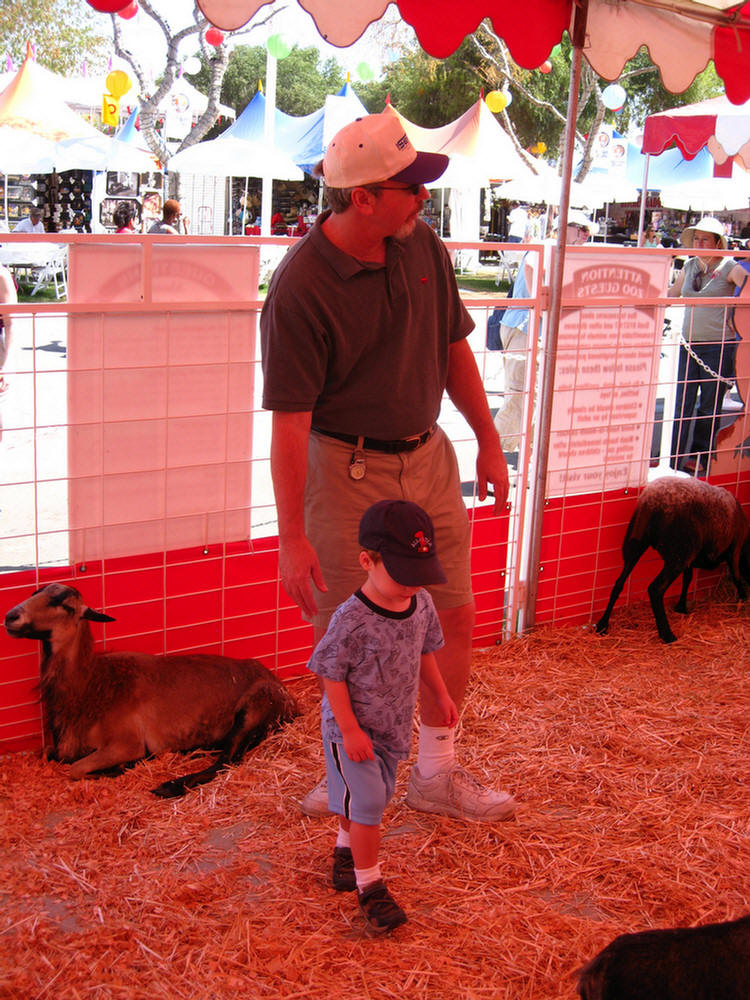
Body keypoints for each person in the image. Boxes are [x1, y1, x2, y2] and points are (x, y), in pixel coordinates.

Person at [260, 111, 515, 824]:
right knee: (351, 635)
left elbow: (454, 348)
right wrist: (290, 535)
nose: (424, 198)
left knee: (455, 615)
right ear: (363, 198)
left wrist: (488, 441)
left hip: (427, 457)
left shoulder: (421, 244)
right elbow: (290, 425)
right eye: (410, 187)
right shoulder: (301, 288)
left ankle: (436, 773)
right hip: (345, 471)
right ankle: (347, 779)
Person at [308, 499, 458, 933]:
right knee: (370, 802)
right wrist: (350, 730)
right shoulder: (351, 619)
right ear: (367, 561)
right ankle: (370, 888)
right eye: (403, 573)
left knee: (364, 800)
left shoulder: (421, 604)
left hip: (392, 727)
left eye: (420, 573)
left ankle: (343, 850)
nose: (413, 584)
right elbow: (330, 675)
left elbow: (424, 653)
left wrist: (441, 694)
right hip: (349, 729)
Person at [493, 209, 596, 452]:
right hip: (525, 328)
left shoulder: (562, 251)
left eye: (587, 232)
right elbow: (531, 265)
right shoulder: (551, 246)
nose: (584, 236)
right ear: (565, 228)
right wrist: (537, 303)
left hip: (530, 328)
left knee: (531, 397)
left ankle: (523, 458)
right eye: (580, 230)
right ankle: (496, 454)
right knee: (522, 397)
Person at [667, 216, 748, 475]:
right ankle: (673, 454)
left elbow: (747, 283)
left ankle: (699, 456)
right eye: (697, 238)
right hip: (688, 344)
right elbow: (673, 292)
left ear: (717, 242)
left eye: (705, 238)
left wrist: (737, 311)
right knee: (681, 402)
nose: (700, 242)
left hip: (718, 346)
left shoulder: (729, 266)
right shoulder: (690, 265)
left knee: (709, 406)